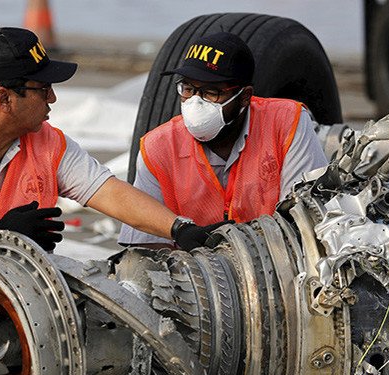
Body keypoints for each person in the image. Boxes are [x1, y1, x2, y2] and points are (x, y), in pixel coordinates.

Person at [0, 27, 228, 273]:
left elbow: (110, 193)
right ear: (4, 98)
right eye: (42, 88)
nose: (53, 98)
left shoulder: (47, 141)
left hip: (21, 296)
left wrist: (180, 229)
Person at [118, 32, 329, 246]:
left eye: (211, 93)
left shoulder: (286, 122)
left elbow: (307, 217)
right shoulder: (158, 147)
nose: (195, 103)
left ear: (245, 96)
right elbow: (144, 245)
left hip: (277, 261)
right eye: (188, 89)